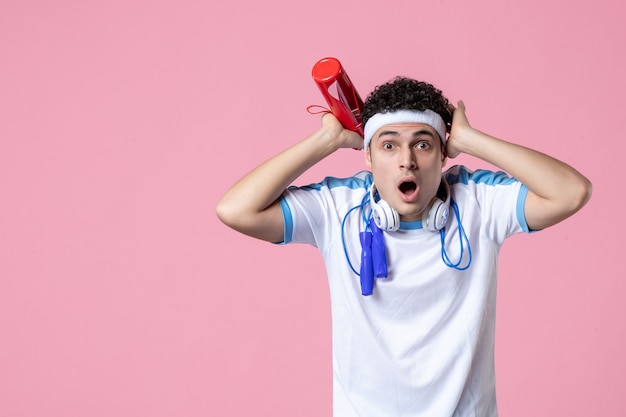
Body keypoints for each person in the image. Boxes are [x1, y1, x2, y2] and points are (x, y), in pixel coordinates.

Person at [216, 76, 592, 417]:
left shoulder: (481, 202)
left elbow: (571, 192)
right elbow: (235, 209)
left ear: (443, 155)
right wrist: (326, 140)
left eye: (423, 145)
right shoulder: (337, 208)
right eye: (389, 145)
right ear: (368, 156)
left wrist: (470, 140)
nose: (406, 161)